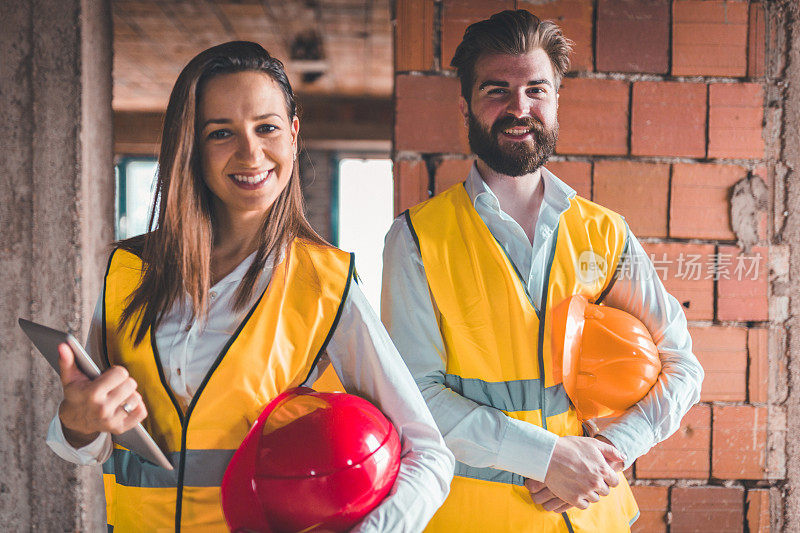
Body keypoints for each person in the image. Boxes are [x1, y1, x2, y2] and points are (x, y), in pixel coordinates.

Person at [46, 41, 454, 532]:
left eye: (267, 127)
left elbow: (429, 453)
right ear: (191, 147)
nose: (251, 152)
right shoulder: (128, 272)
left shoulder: (323, 283)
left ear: (294, 134)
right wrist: (79, 421)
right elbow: (83, 445)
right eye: (222, 133)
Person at [381, 10, 703, 532]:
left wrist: (610, 450)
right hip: (473, 520)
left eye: (537, 89)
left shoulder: (605, 232)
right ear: (465, 105)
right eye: (496, 90)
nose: (519, 108)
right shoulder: (416, 240)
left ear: (556, 99)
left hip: (593, 515)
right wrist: (548, 458)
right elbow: (416, 398)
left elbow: (681, 366)